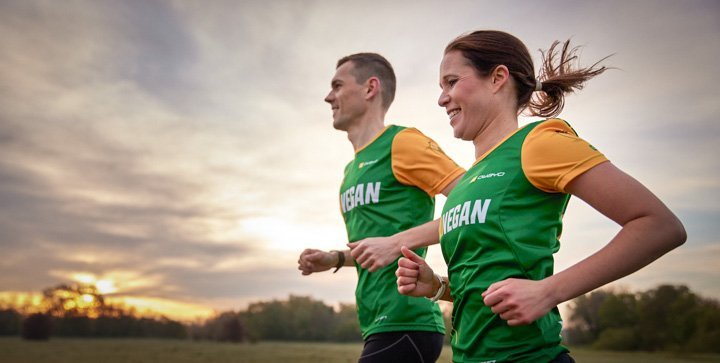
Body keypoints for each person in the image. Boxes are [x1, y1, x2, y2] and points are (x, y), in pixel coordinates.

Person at [395, 30, 687, 363]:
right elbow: (489, 284)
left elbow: (660, 226)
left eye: (451, 82)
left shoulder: (538, 144)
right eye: (440, 87)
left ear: (497, 78)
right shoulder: (465, 184)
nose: (442, 98)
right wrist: (437, 286)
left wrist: (548, 292)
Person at [297, 52, 465, 362]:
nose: (328, 97)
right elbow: (380, 247)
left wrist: (397, 242)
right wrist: (334, 258)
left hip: (409, 320)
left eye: (337, 85)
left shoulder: (402, 143)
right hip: (375, 322)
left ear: (370, 88)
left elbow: (475, 202)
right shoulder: (351, 170)